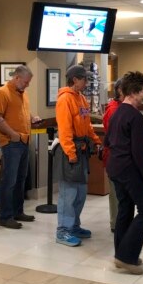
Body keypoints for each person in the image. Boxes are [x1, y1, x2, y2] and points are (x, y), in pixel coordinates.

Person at [105, 71, 143, 274]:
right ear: (134, 92)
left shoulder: (116, 112)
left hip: (114, 167)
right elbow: (138, 154)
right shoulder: (136, 117)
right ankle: (127, 256)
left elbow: (107, 141)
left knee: (125, 208)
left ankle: (122, 253)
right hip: (129, 169)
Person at [54, 65, 102, 247]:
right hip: (70, 152)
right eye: (84, 79)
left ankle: (74, 226)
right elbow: (64, 129)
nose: (87, 82)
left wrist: (96, 140)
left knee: (81, 193)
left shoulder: (81, 98)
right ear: (75, 79)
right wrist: (71, 152)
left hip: (82, 151)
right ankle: (63, 231)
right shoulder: (65, 99)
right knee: (69, 194)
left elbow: (87, 125)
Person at [0, 65, 40, 229]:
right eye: (26, 82)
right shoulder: (2, 93)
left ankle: (17, 211)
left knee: (21, 179)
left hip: (24, 140)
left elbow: (22, 112)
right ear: (17, 77)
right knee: (9, 180)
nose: (27, 85)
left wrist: (32, 118)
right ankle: (5, 216)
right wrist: (12, 134)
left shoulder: (23, 93)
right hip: (11, 142)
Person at [102, 78, 123, 232]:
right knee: (116, 193)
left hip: (121, 158)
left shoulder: (123, 108)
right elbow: (116, 138)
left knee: (121, 193)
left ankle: (121, 221)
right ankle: (116, 224)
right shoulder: (114, 110)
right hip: (115, 158)